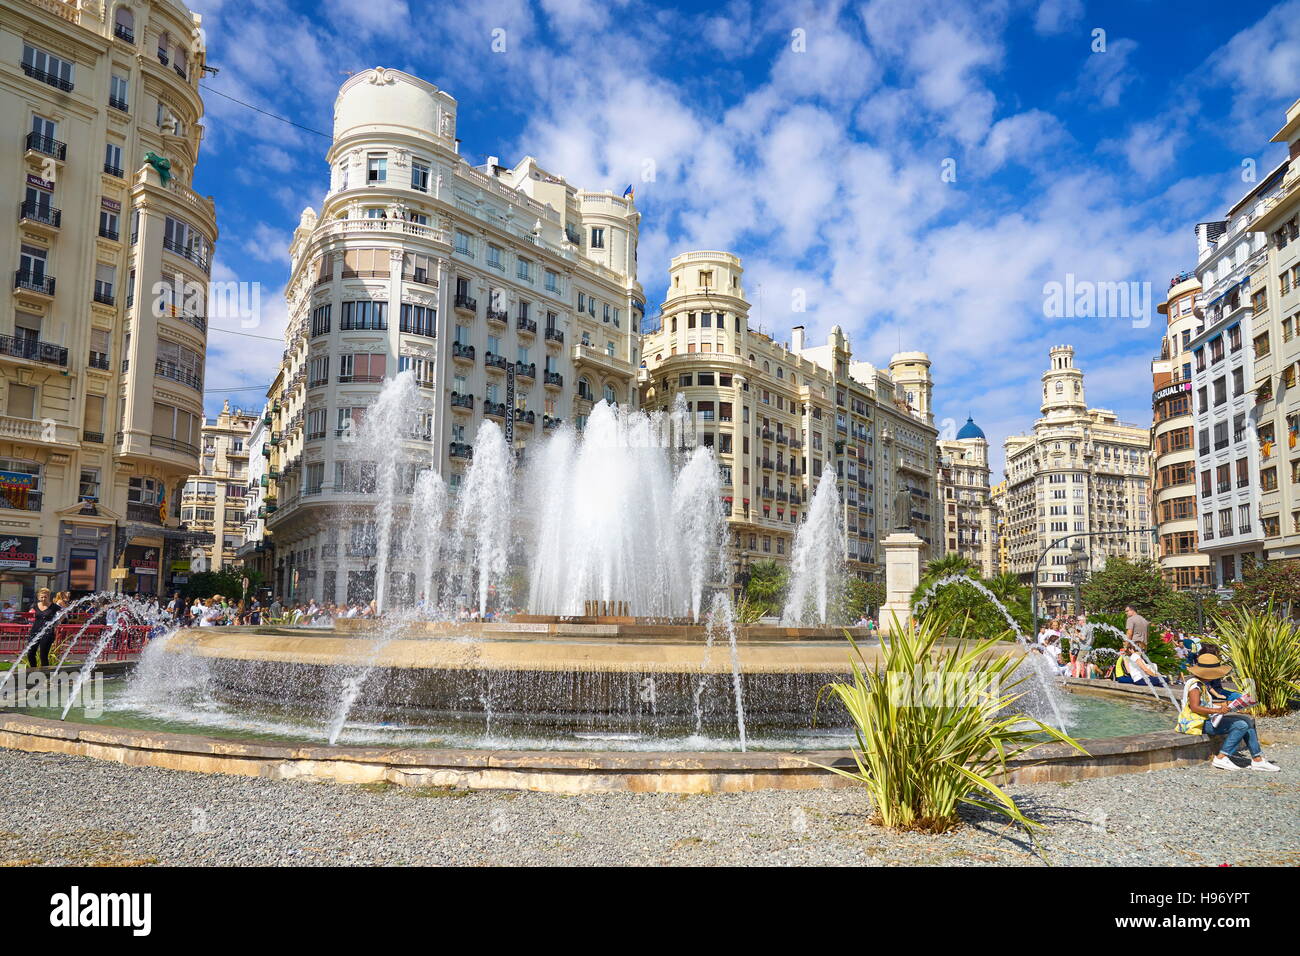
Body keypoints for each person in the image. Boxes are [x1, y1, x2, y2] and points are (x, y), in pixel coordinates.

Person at [1177, 651, 1279, 772]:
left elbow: (1203, 704)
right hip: (1195, 724)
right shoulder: (1195, 687)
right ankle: (1222, 757)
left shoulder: (1201, 684)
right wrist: (1218, 710)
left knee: (1246, 720)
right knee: (1240, 725)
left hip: (1203, 719)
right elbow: (1195, 707)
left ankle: (1257, 759)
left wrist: (1224, 706)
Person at [25, 587, 59, 668]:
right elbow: (30, 614)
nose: (43, 599)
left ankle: (45, 674)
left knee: (43, 655)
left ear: (49, 597)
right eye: (42, 597)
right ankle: (33, 670)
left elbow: (64, 614)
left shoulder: (54, 607)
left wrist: (57, 622)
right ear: (38, 597)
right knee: (30, 653)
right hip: (35, 631)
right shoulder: (35, 605)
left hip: (48, 632)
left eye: (45, 597)